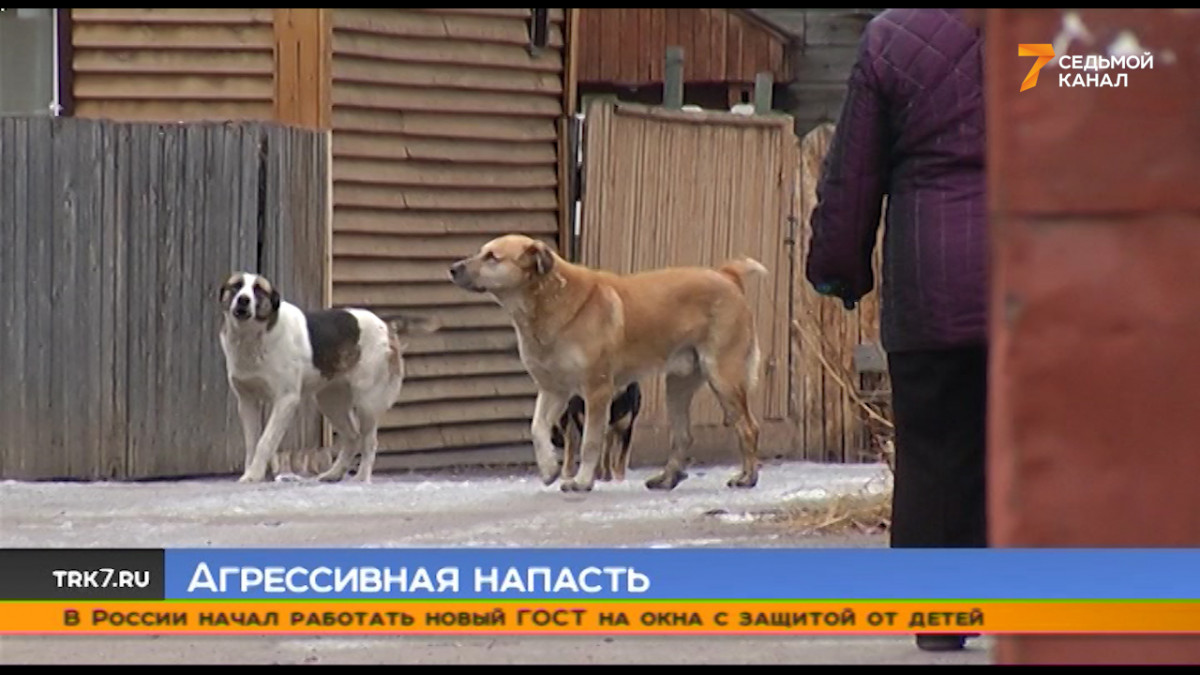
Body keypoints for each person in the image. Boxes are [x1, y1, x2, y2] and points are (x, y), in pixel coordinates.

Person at [805, 8, 988, 653]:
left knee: (935, 453)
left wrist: (838, 267)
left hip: (931, 286)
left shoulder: (893, 37)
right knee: (1046, 450)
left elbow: (853, 173)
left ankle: (941, 620)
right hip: (1043, 284)